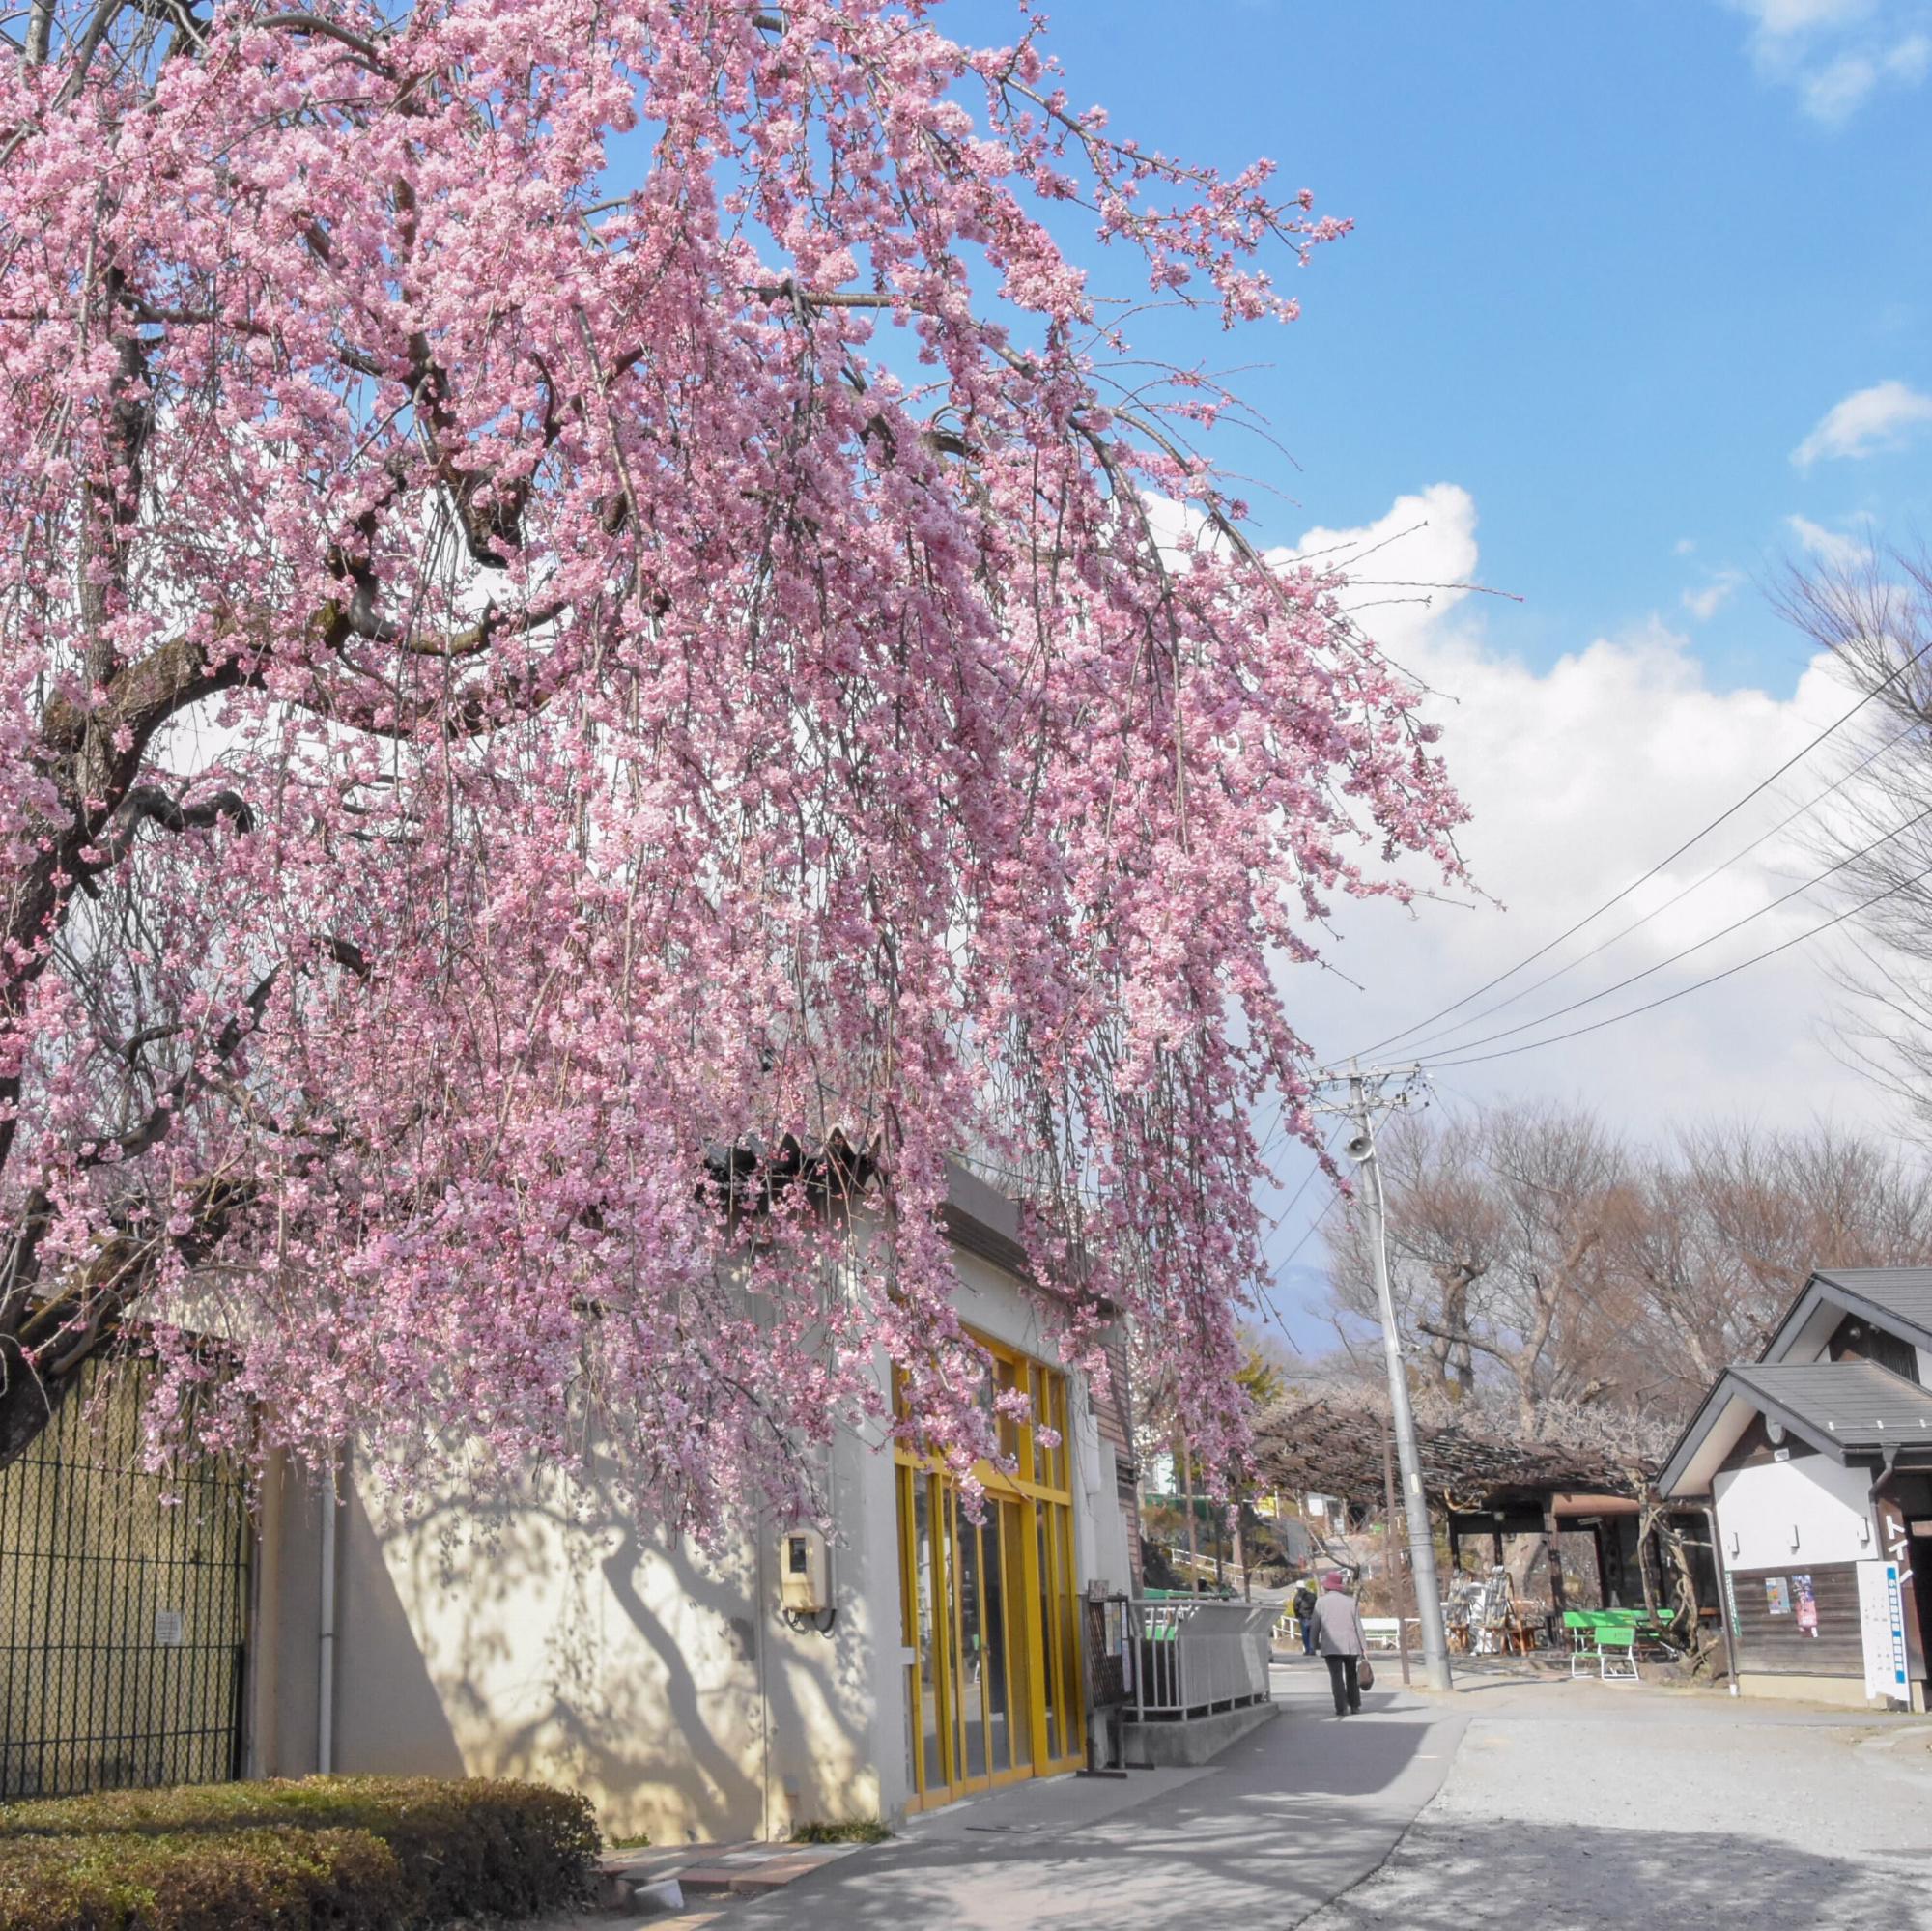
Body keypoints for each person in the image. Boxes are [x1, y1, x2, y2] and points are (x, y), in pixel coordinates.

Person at [1311, 1570, 1368, 1716]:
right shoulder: (1350, 1602)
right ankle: (1355, 1705)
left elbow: (1315, 1625)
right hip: (1350, 1644)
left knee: (1336, 1677)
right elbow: (1358, 1625)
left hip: (1331, 1646)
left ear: (1327, 1586)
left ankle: (1341, 1707)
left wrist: (1312, 1643)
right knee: (1351, 1676)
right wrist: (1363, 1646)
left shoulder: (1321, 1602)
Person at [1292, 1577, 1318, 1656]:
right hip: (1312, 1616)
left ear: (1298, 1588)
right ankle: (1312, 1649)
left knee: (1305, 1634)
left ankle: (1308, 1650)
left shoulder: (1298, 1597)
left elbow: (1295, 1607)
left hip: (1303, 1617)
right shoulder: (1312, 1595)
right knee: (1312, 1634)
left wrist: (1297, 1616)